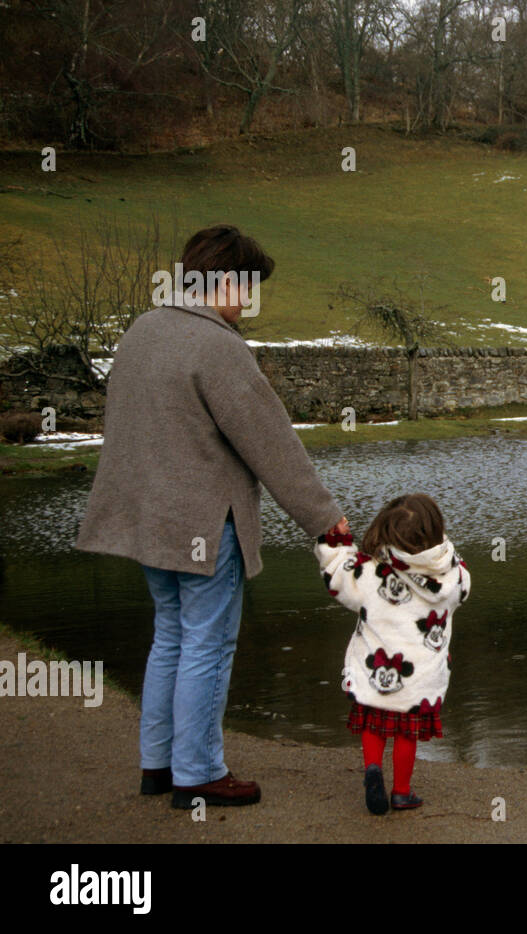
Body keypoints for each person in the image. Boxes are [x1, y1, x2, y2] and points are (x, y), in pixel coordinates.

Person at [74, 225, 350, 809]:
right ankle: (198, 773)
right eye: (250, 288)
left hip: (151, 524)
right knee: (207, 645)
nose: (252, 303)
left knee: (171, 637)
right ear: (227, 281)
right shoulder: (218, 348)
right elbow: (272, 445)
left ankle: (160, 765)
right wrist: (324, 520)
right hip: (204, 525)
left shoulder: (142, 331)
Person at [315, 493, 470, 815]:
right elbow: (464, 587)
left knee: (373, 722)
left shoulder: (371, 573)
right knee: (405, 734)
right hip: (420, 680)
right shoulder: (450, 577)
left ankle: (373, 770)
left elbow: (337, 574)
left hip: (375, 674)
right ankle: (401, 792)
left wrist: (337, 539)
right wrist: (443, 552)